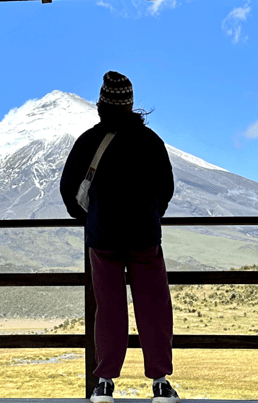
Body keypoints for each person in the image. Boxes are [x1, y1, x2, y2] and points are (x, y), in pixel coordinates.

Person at [60, 71, 178, 403]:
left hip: (103, 238)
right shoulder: (150, 142)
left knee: (109, 308)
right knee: (153, 307)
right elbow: (166, 190)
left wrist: (91, 218)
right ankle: (159, 383)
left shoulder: (88, 142)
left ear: (101, 105)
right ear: (130, 105)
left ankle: (105, 383)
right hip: (144, 237)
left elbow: (69, 191)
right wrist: (151, 216)